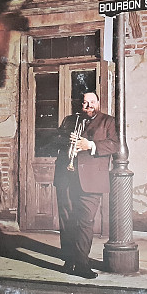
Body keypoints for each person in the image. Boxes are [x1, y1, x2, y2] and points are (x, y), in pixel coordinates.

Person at [53, 91, 118, 279]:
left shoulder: (108, 121)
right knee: (67, 221)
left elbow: (115, 145)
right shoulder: (69, 120)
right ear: (79, 104)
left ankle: (82, 264)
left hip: (91, 180)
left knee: (85, 221)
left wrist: (90, 145)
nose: (88, 106)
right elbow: (54, 141)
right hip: (67, 177)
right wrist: (67, 140)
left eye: (92, 102)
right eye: (84, 102)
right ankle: (69, 261)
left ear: (98, 102)